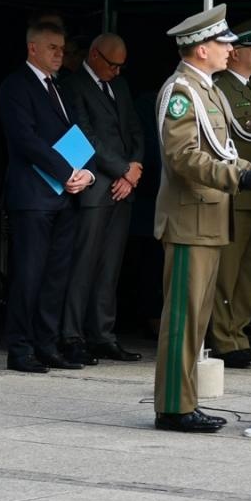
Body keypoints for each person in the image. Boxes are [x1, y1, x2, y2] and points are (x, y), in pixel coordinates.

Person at [152, 6, 251, 432]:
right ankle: (174, 406)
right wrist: (239, 177)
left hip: (207, 219)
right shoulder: (182, 92)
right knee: (183, 319)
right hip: (189, 220)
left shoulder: (205, 90)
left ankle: (184, 401)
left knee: (198, 320)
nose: (230, 49)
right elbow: (183, 157)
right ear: (201, 49)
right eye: (223, 43)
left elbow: (222, 150)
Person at [0, 20, 94, 373]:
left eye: (62, 49)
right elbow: (25, 140)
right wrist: (67, 172)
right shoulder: (15, 86)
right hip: (33, 196)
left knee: (56, 276)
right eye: (53, 48)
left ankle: (46, 344)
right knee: (29, 274)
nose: (60, 54)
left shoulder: (61, 87)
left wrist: (87, 172)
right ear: (33, 48)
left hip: (65, 196)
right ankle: (20, 347)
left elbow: (78, 134)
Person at [53, 31, 148, 365]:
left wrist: (134, 168)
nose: (116, 71)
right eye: (112, 65)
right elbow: (84, 137)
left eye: (121, 66)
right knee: (83, 265)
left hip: (123, 188)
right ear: (94, 55)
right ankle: (72, 334)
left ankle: (103, 335)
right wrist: (123, 170)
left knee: (109, 268)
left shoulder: (119, 85)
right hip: (96, 188)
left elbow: (135, 129)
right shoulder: (73, 85)